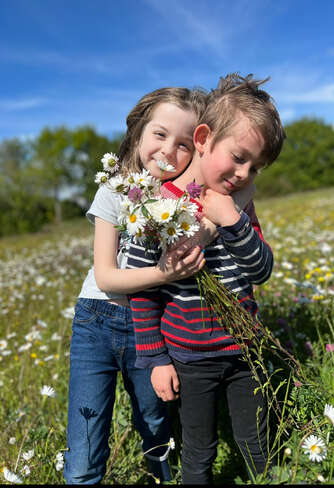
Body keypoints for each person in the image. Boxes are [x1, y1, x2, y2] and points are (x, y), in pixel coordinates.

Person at [127, 73, 286, 484]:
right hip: (189, 356)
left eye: (255, 166)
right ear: (203, 139)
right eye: (238, 157)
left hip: (245, 349)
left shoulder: (239, 208)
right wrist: (156, 359)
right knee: (199, 448)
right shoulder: (158, 208)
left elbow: (261, 270)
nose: (244, 172)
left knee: (254, 440)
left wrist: (233, 222)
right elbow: (144, 293)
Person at [63, 86, 210, 484]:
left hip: (153, 329)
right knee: (85, 439)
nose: (168, 151)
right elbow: (106, 276)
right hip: (97, 319)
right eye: (160, 135)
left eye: (184, 144)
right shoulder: (114, 190)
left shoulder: (187, 202)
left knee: (155, 425)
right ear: (139, 133)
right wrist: (166, 273)